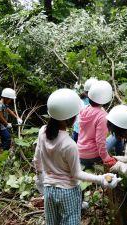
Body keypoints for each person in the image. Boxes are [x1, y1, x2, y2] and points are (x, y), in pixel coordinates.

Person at [33, 88, 121, 225]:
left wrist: (39, 177)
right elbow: (77, 174)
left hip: (48, 190)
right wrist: (101, 179)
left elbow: (36, 159)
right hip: (68, 192)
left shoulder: (42, 131)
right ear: (71, 118)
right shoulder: (69, 144)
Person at [77, 80, 117, 169]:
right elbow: (100, 141)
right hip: (93, 156)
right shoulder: (103, 116)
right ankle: (120, 154)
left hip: (80, 153)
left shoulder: (84, 110)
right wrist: (106, 158)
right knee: (116, 136)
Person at [72, 77, 98, 142]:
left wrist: (76, 87)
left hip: (77, 132)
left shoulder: (78, 98)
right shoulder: (94, 103)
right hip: (85, 135)